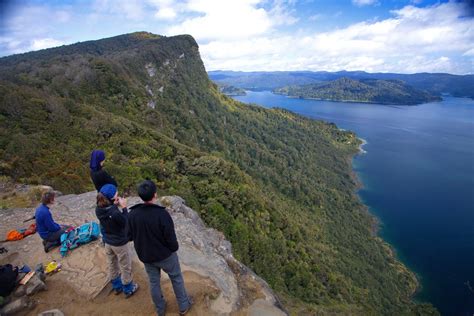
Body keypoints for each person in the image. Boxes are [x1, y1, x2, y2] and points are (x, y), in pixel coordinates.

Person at [128, 180, 193, 316]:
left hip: (146, 255)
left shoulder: (132, 214)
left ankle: (160, 309)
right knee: (176, 278)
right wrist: (173, 248)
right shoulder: (162, 214)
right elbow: (170, 237)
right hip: (165, 255)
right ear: (155, 195)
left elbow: (129, 236)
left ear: (140, 196)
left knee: (154, 282)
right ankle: (183, 306)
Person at [95, 184, 138, 298]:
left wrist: (114, 204)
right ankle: (128, 288)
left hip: (108, 242)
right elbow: (125, 222)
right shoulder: (114, 213)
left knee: (112, 264)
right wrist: (124, 208)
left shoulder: (99, 209)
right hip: (119, 243)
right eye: (116, 195)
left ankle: (116, 286)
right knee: (125, 265)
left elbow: (109, 214)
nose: (118, 196)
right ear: (112, 199)